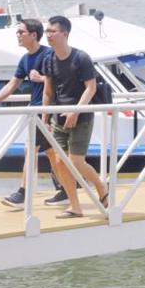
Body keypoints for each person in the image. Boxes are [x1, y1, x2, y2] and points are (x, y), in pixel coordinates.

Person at [0, 19, 66, 208]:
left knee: (31, 149)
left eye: (21, 32)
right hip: (35, 110)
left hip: (48, 110)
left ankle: (23, 193)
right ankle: (65, 189)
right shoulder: (25, 59)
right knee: (52, 153)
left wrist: (43, 79)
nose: (18, 36)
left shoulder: (49, 55)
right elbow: (13, 84)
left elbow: (63, 81)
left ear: (34, 35)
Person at [42, 15, 108, 218]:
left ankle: (101, 187)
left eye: (52, 31)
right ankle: (74, 206)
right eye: (47, 32)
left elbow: (91, 87)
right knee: (61, 163)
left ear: (65, 33)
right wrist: (45, 117)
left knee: (76, 161)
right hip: (58, 117)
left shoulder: (81, 58)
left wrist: (75, 111)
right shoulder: (49, 59)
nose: (48, 35)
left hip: (82, 117)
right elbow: (48, 91)